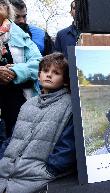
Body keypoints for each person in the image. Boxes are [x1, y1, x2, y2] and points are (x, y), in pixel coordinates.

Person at [0, 52, 76, 193]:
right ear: (38, 75)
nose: (49, 75)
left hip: (36, 177)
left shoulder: (70, 106)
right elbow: (13, 137)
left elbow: (68, 145)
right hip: (5, 173)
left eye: (56, 72)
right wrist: (2, 159)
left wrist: (51, 170)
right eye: (45, 71)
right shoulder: (28, 104)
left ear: (65, 80)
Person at [0, 0, 42, 141]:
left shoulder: (20, 34)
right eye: (19, 17)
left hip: (18, 106)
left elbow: (39, 63)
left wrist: (16, 71)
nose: (22, 20)